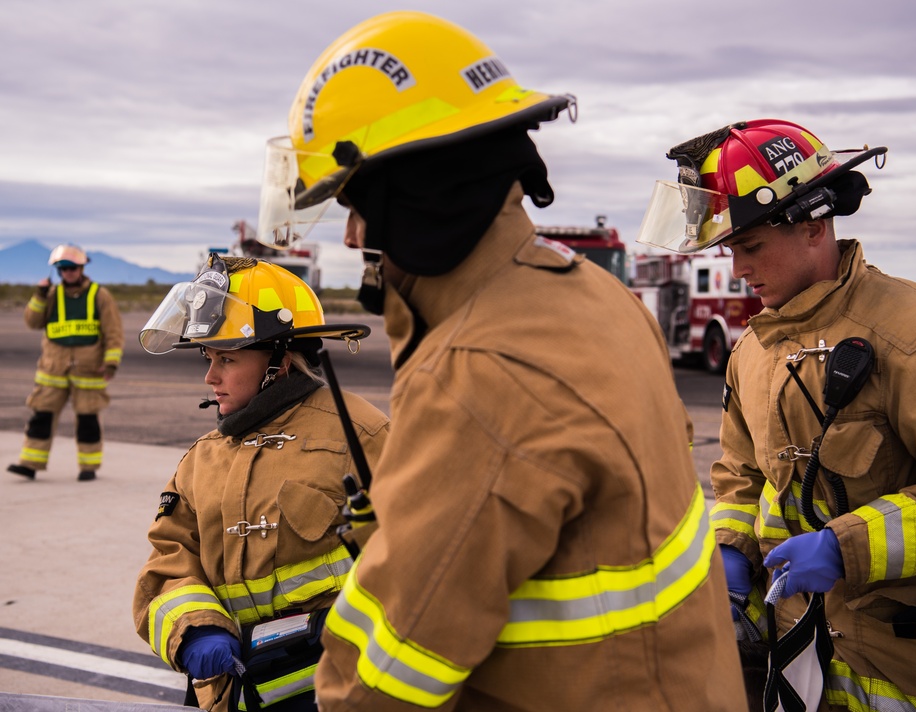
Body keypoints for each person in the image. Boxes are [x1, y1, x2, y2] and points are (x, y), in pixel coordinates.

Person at [254, 11, 748, 711]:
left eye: (357, 204)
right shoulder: (595, 296)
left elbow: (385, 682)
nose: (356, 234)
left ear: (415, 196)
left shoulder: (479, 374)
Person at [637, 118, 916, 710]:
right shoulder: (751, 350)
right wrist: (731, 548)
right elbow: (739, 473)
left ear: (813, 224)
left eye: (750, 247)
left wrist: (844, 548)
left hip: (907, 668)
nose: (738, 271)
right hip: (793, 660)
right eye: (731, 251)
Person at [132, 255, 390, 711]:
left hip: (339, 691)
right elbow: (168, 563)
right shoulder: (200, 460)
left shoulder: (361, 436)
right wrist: (196, 627)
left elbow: (424, 560)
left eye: (227, 359)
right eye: (209, 358)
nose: (210, 377)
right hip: (231, 692)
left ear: (281, 360)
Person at [7, 244, 123, 481]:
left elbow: (114, 332)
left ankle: (88, 468)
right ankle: (29, 464)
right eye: (63, 268)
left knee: (88, 420)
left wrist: (111, 363)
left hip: (88, 371)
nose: (68, 272)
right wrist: (39, 295)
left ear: (81, 268)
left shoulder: (99, 295)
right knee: (41, 417)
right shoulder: (50, 295)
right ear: (58, 271)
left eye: (72, 267)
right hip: (53, 371)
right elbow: (32, 322)